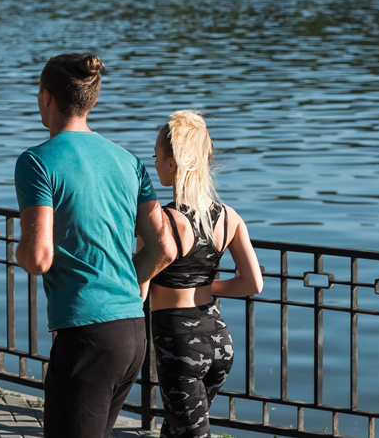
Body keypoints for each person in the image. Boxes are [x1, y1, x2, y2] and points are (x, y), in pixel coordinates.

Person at [14, 54, 176, 438]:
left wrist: (19, 250)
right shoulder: (129, 162)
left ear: (45, 98)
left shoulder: (37, 162)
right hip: (131, 333)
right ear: (93, 100)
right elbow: (164, 249)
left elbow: (38, 258)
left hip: (85, 336)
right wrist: (119, 284)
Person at [142, 110, 264, 438]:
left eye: (156, 156)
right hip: (219, 342)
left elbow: (139, 286)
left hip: (179, 345)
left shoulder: (163, 221)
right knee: (177, 429)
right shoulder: (228, 217)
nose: (154, 164)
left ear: (171, 163)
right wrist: (208, 286)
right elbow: (254, 283)